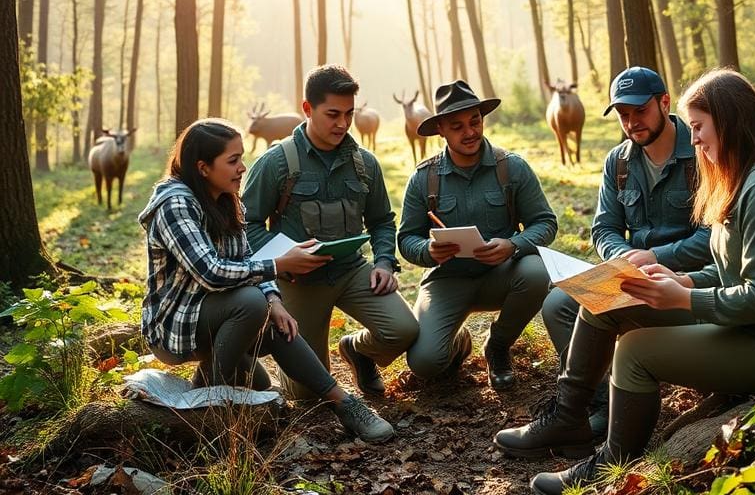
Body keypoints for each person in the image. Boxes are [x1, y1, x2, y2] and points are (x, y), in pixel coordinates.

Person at [496, 68, 755, 494]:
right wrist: (685, 280)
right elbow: (736, 268)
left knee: (635, 351)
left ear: (730, 120)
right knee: (601, 297)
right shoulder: (748, 173)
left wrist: (681, 298)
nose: (693, 139)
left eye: (698, 127)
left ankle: (613, 466)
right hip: (753, 321)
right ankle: (567, 419)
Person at [140, 119, 394, 443]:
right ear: (203, 167)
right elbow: (211, 272)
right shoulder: (175, 202)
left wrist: (275, 301)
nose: (242, 168)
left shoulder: (226, 198)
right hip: (176, 325)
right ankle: (212, 407)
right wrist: (279, 265)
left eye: (241, 158)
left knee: (266, 357)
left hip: (217, 314)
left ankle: (344, 404)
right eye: (232, 161)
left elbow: (245, 259)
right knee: (251, 302)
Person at [540, 66, 711, 437]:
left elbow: (716, 236)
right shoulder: (617, 162)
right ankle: (602, 405)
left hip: (688, 282)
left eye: (640, 111)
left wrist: (658, 257)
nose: (631, 122)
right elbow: (604, 228)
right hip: (632, 277)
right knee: (558, 306)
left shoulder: (701, 154)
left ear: (665, 103)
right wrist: (621, 256)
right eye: (623, 114)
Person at [241, 65, 419, 400]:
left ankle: (358, 352)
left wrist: (383, 262)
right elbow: (245, 226)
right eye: (332, 114)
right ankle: (277, 361)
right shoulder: (276, 162)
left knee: (404, 331)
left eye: (349, 114)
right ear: (307, 109)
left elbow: (382, 220)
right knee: (306, 394)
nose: (342, 124)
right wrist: (284, 259)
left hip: (352, 271)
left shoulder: (364, 163)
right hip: (299, 281)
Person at [397, 80, 558, 390]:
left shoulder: (511, 168)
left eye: (475, 121)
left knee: (537, 272)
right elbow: (406, 240)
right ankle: (457, 342)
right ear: (441, 129)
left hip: (503, 274)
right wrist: (428, 251)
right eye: (457, 126)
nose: (470, 131)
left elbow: (545, 223)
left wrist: (512, 246)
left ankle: (497, 346)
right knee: (425, 364)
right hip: (448, 280)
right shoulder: (424, 178)